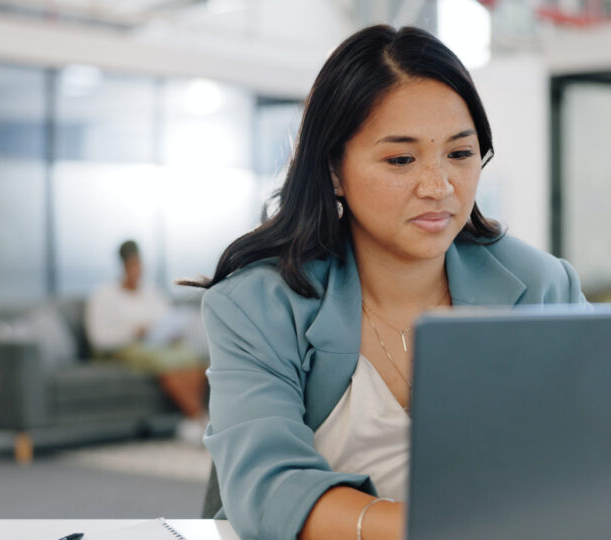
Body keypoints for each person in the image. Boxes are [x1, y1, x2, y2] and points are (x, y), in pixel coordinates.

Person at [186, 25, 586, 540]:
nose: (439, 186)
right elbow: (267, 491)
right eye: (401, 159)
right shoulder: (258, 303)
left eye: (460, 154)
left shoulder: (540, 285)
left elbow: (597, 452)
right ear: (334, 168)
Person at [85, 240, 207, 425]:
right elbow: (100, 339)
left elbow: (167, 317)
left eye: (139, 264)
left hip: (156, 343)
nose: (137, 270)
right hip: (122, 347)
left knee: (189, 356)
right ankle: (198, 418)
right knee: (167, 362)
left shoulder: (151, 292)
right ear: (123, 265)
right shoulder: (104, 295)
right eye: (132, 265)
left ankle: (193, 419)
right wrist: (134, 331)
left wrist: (170, 331)